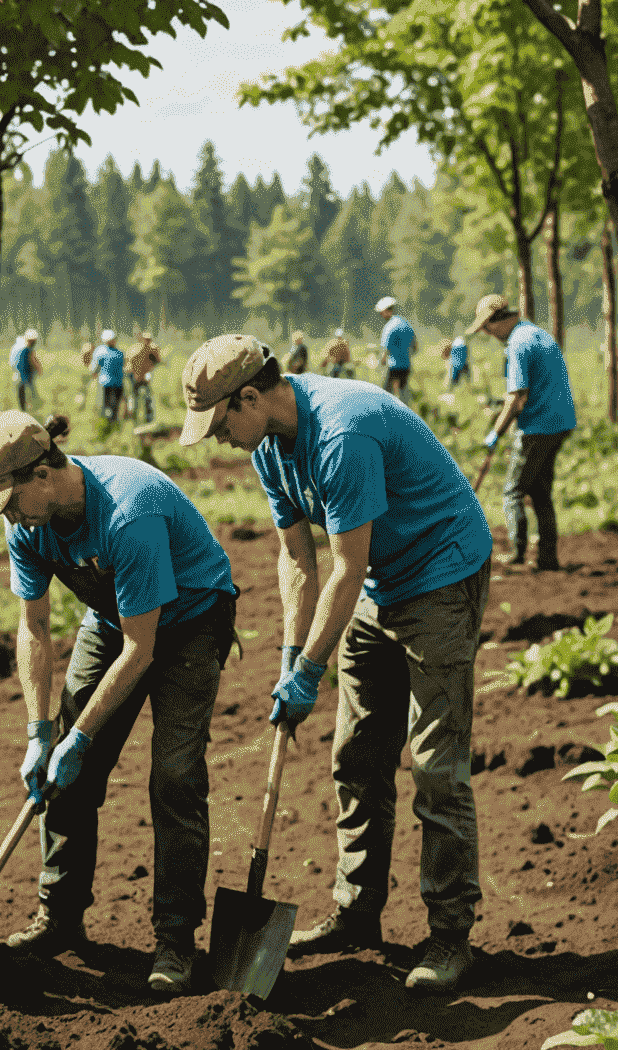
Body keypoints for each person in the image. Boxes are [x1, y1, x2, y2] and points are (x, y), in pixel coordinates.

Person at [179, 334, 493, 994]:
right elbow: (298, 558)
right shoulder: (270, 449)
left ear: (252, 396)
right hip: (381, 583)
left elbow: (345, 567)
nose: (218, 439)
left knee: (435, 765)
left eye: (220, 423)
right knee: (356, 754)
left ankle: (449, 937)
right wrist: (294, 654)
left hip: (439, 570)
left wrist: (311, 673)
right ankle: (357, 913)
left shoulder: (340, 434)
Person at [0, 410, 238, 996]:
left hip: (190, 621)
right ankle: (59, 916)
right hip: (116, 618)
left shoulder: (127, 512)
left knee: (174, 775)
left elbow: (144, 647)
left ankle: (175, 938)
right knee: (64, 774)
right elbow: (33, 627)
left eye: (11, 501)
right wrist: (43, 732)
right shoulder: (27, 526)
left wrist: (80, 736)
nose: (9, 518)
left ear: (43, 474)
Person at [470, 294, 577, 571]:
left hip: (537, 426)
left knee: (512, 492)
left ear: (498, 321)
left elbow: (517, 398)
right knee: (541, 492)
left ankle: (517, 555)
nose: (485, 332)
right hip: (560, 423)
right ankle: (547, 558)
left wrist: (496, 433)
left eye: (486, 326)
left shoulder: (517, 343)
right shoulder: (537, 334)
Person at [376, 296, 416, 399]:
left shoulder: (389, 327)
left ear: (387, 310)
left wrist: (381, 364)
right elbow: (415, 347)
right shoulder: (406, 325)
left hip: (392, 367)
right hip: (406, 366)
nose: (381, 315)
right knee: (403, 395)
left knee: (385, 396)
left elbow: (385, 351)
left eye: (382, 312)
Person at [126, 329, 162, 422]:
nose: (147, 341)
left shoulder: (152, 349)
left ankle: (148, 418)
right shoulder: (136, 350)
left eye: (149, 339)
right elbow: (131, 364)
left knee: (147, 397)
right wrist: (137, 375)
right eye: (146, 339)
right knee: (133, 397)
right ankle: (132, 418)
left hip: (143, 376)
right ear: (142, 339)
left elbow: (158, 361)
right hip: (133, 375)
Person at [91, 329, 126, 419]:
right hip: (117, 383)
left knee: (106, 405)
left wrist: (94, 374)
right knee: (115, 405)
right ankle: (112, 422)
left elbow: (95, 368)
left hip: (106, 382)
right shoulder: (119, 353)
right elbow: (124, 366)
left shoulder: (100, 351)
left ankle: (107, 422)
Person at [11, 328, 42, 411]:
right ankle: (31, 408)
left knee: (22, 393)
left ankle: (24, 409)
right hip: (24, 375)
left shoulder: (18, 347)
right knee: (27, 392)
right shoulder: (27, 349)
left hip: (18, 375)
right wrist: (38, 368)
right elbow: (33, 360)